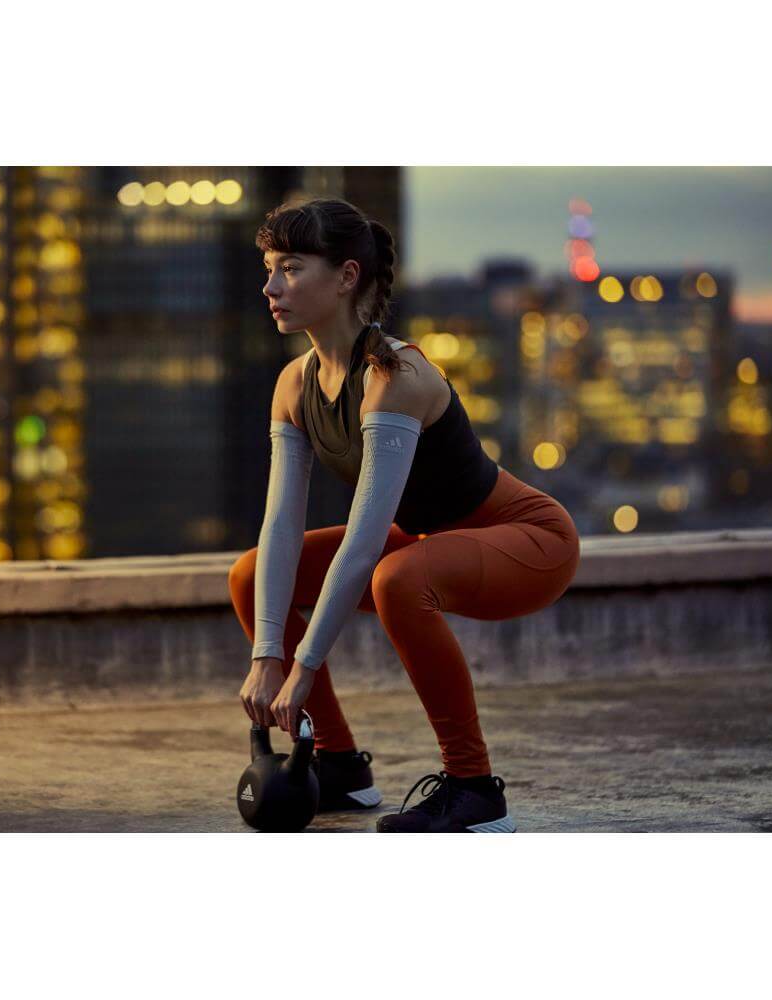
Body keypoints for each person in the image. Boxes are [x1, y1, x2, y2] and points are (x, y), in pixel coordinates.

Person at [228, 197, 581, 833]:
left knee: (398, 578)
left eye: (290, 268)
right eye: (269, 267)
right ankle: (337, 765)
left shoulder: (398, 375)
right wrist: (266, 653)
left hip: (528, 540)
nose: (270, 285)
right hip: (426, 539)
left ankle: (474, 788)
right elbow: (282, 524)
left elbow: (364, 542)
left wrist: (302, 666)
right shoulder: (294, 384)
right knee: (252, 575)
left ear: (346, 277)